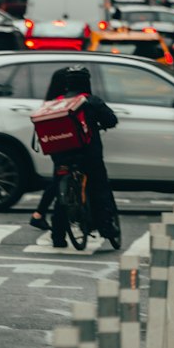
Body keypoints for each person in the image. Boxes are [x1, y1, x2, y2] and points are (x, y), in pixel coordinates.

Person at [29, 63, 119, 247]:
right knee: (99, 188)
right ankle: (106, 227)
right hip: (89, 156)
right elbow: (111, 120)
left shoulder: (55, 103)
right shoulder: (91, 101)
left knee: (61, 195)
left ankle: (58, 237)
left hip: (61, 157)